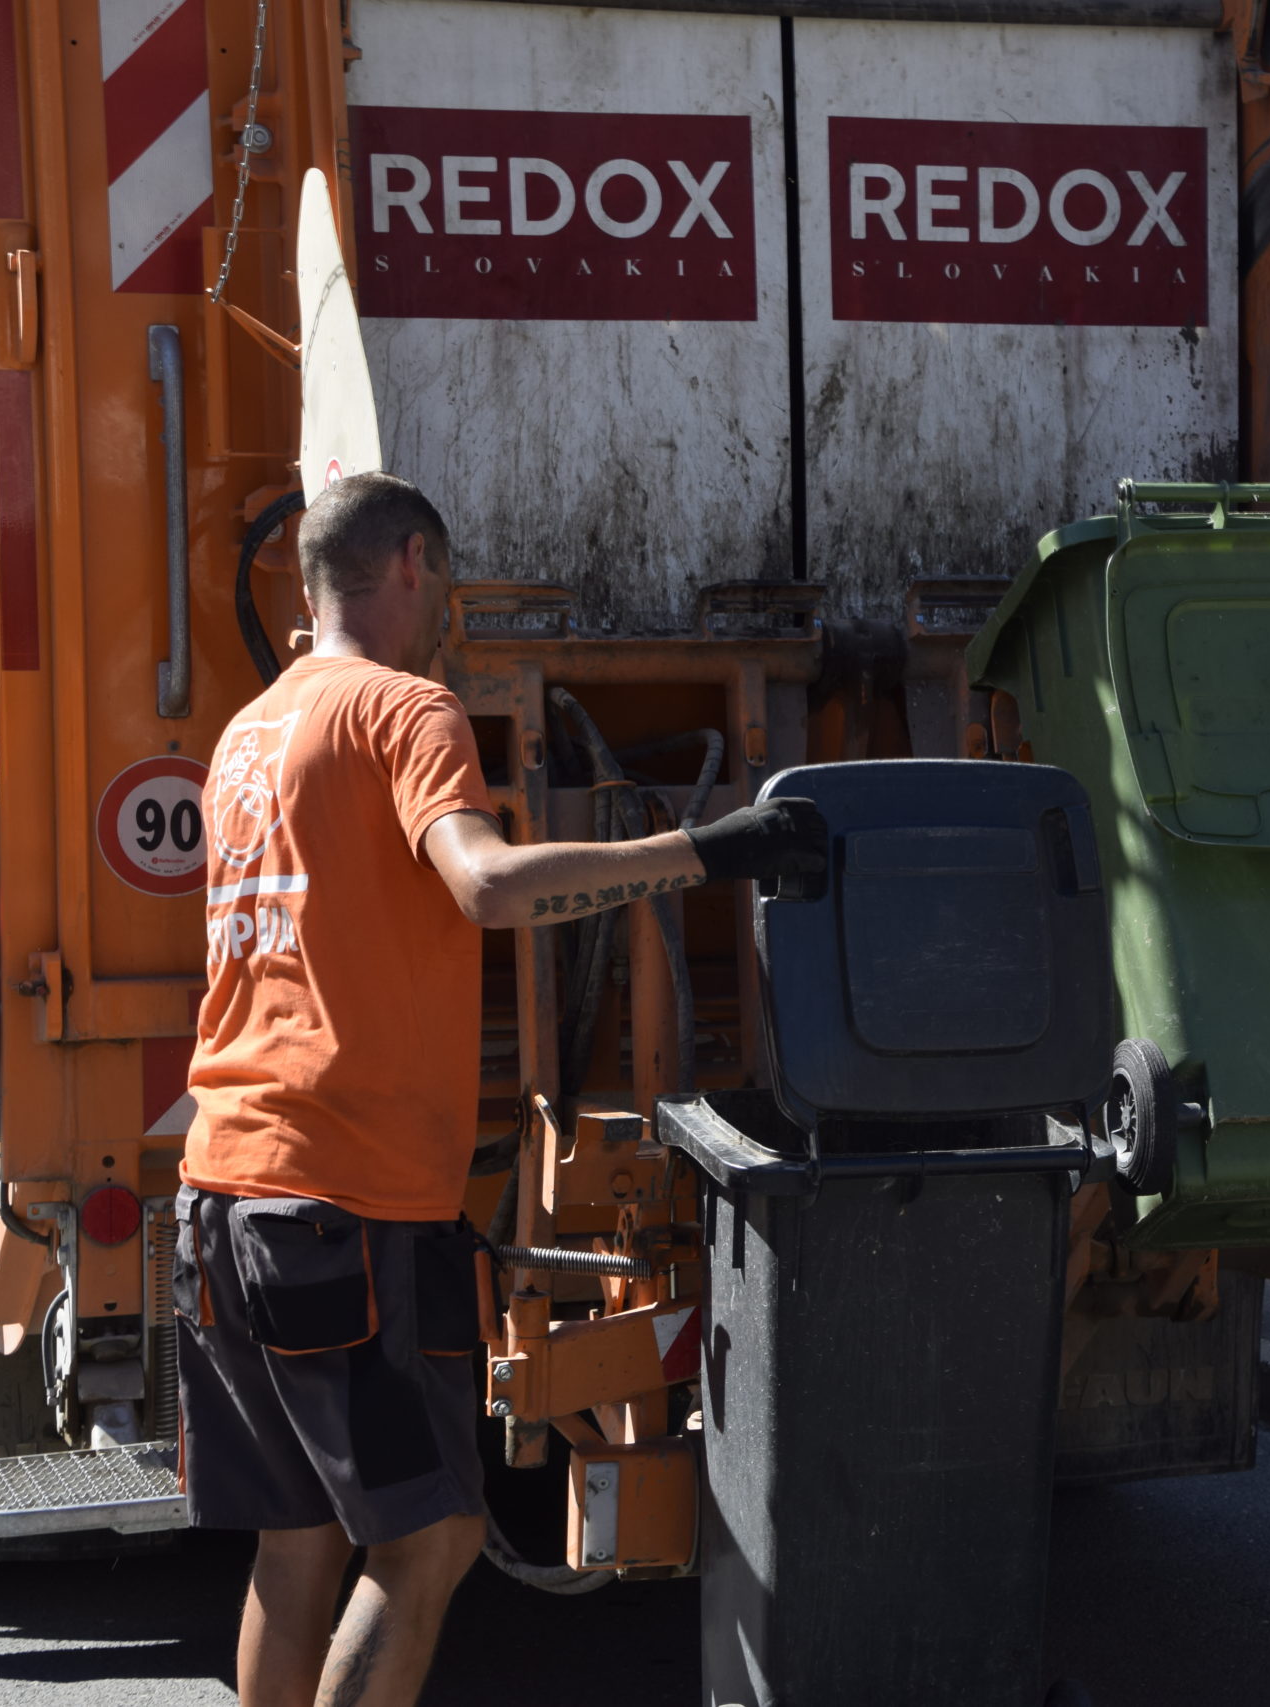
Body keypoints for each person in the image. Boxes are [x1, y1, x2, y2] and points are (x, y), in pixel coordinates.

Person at [173, 471, 826, 1707]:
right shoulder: (406, 710)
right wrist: (699, 854)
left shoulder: (248, 734)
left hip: (224, 1190)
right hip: (344, 1204)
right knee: (429, 1542)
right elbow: (482, 885)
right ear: (414, 561)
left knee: (301, 1540)